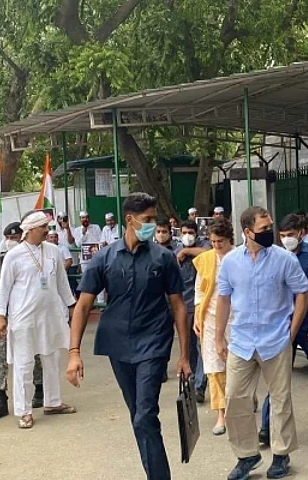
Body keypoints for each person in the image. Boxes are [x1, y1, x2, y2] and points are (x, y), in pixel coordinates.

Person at [66, 193, 191, 480]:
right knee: (140, 416)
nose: (152, 225)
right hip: (118, 345)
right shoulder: (105, 258)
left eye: (154, 219)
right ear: (129, 220)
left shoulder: (164, 258)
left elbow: (178, 306)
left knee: (145, 414)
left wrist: (184, 356)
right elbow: (84, 304)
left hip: (154, 343)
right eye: (147, 220)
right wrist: (74, 352)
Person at [216, 206, 308, 480]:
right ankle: (247, 456)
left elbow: (302, 293)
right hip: (241, 341)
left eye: (270, 227)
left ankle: (281, 454)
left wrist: (291, 333)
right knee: (235, 399)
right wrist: (218, 337)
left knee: (280, 400)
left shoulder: (285, 260)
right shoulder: (231, 261)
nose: (270, 233)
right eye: (264, 229)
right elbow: (223, 299)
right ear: (247, 232)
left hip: (276, 339)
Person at [259, 213, 308, 448]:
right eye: (282, 236)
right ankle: (266, 425)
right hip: (283, 323)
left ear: (302, 233)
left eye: (290, 235)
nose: (286, 240)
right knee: (277, 375)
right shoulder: (274, 256)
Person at [0, 211, 76, 429]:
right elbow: (3, 289)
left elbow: (61, 282)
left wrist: (72, 306)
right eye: (43, 228)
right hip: (23, 318)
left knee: (51, 358)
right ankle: (24, 411)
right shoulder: (14, 255)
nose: (47, 232)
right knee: (24, 364)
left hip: (49, 316)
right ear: (30, 230)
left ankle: (53, 402)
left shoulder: (53, 251)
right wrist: (0, 316)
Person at [0, 222, 45, 422]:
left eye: (14, 237)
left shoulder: (36, 257)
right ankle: (0, 400)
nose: (10, 241)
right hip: (5, 315)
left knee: (33, 354)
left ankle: (39, 390)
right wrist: (10, 284)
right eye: (7, 238)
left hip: (28, 314)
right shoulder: (4, 258)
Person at [193, 218, 234, 435]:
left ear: (230, 239)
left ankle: (239, 405)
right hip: (209, 317)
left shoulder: (240, 257)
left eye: (221, 242)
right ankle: (221, 414)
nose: (217, 246)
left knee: (236, 365)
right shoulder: (206, 260)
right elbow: (200, 290)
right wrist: (197, 316)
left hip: (236, 319)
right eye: (213, 241)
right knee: (214, 367)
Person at [175, 220, 209, 402]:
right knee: (189, 348)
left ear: (196, 234)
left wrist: (187, 251)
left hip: (202, 306)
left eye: (190, 232)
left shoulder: (202, 248)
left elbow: (208, 253)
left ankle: (200, 385)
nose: (187, 235)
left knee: (201, 346)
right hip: (183, 307)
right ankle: (194, 380)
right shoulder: (175, 252)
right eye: (184, 232)